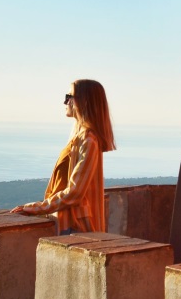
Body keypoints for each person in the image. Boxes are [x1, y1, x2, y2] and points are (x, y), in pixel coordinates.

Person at [11, 79, 116, 234]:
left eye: (69, 96)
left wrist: (35, 208)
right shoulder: (79, 137)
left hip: (75, 225)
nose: (65, 102)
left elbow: (75, 192)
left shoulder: (89, 140)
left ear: (84, 101)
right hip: (67, 222)